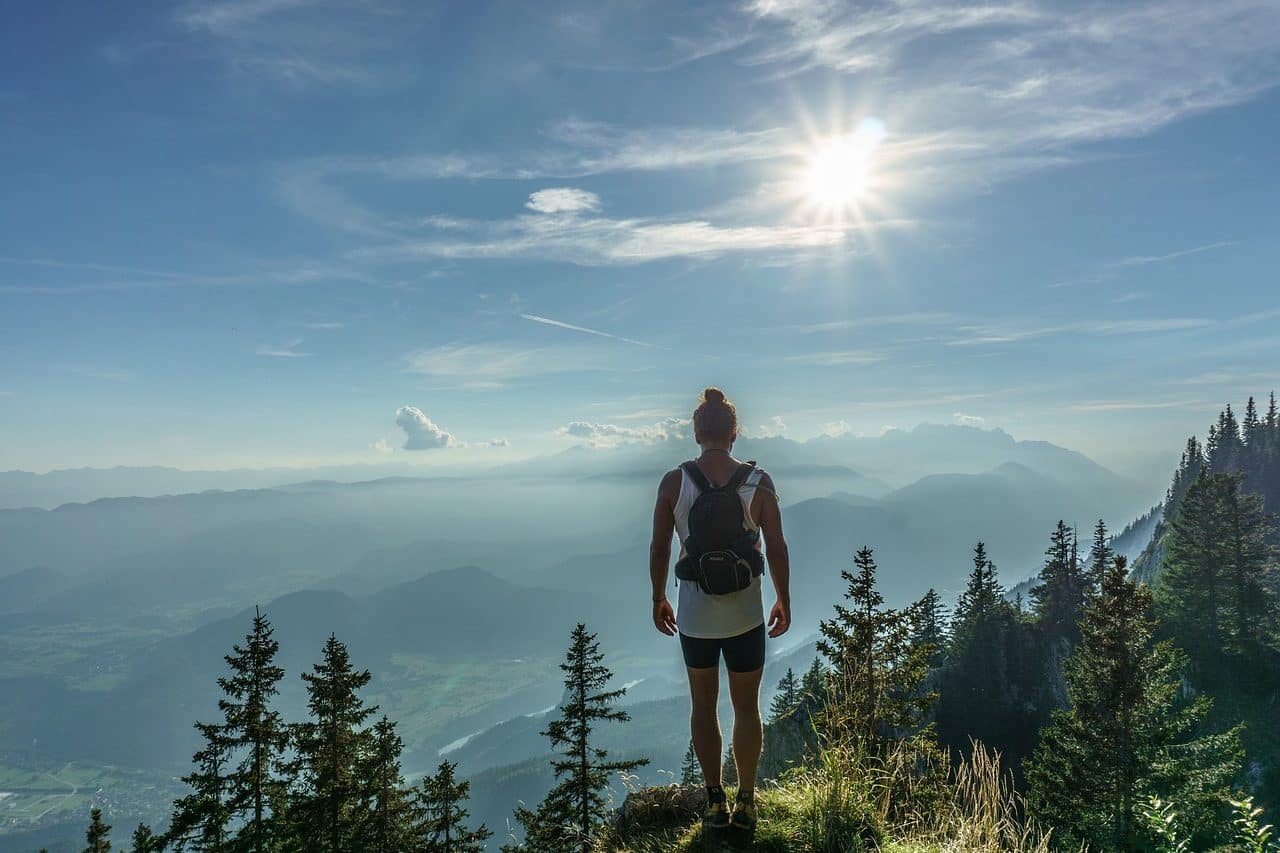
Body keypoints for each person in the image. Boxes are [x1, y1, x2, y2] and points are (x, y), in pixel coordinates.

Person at [649, 387, 791, 834]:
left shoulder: (676, 482)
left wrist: (658, 597)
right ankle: (746, 801)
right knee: (746, 709)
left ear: (696, 432)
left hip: (695, 617)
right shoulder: (759, 482)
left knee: (703, 707)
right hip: (746, 615)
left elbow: (659, 545)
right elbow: (777, 546)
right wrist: (784, 598)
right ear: (734, 432)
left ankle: (714, 801)